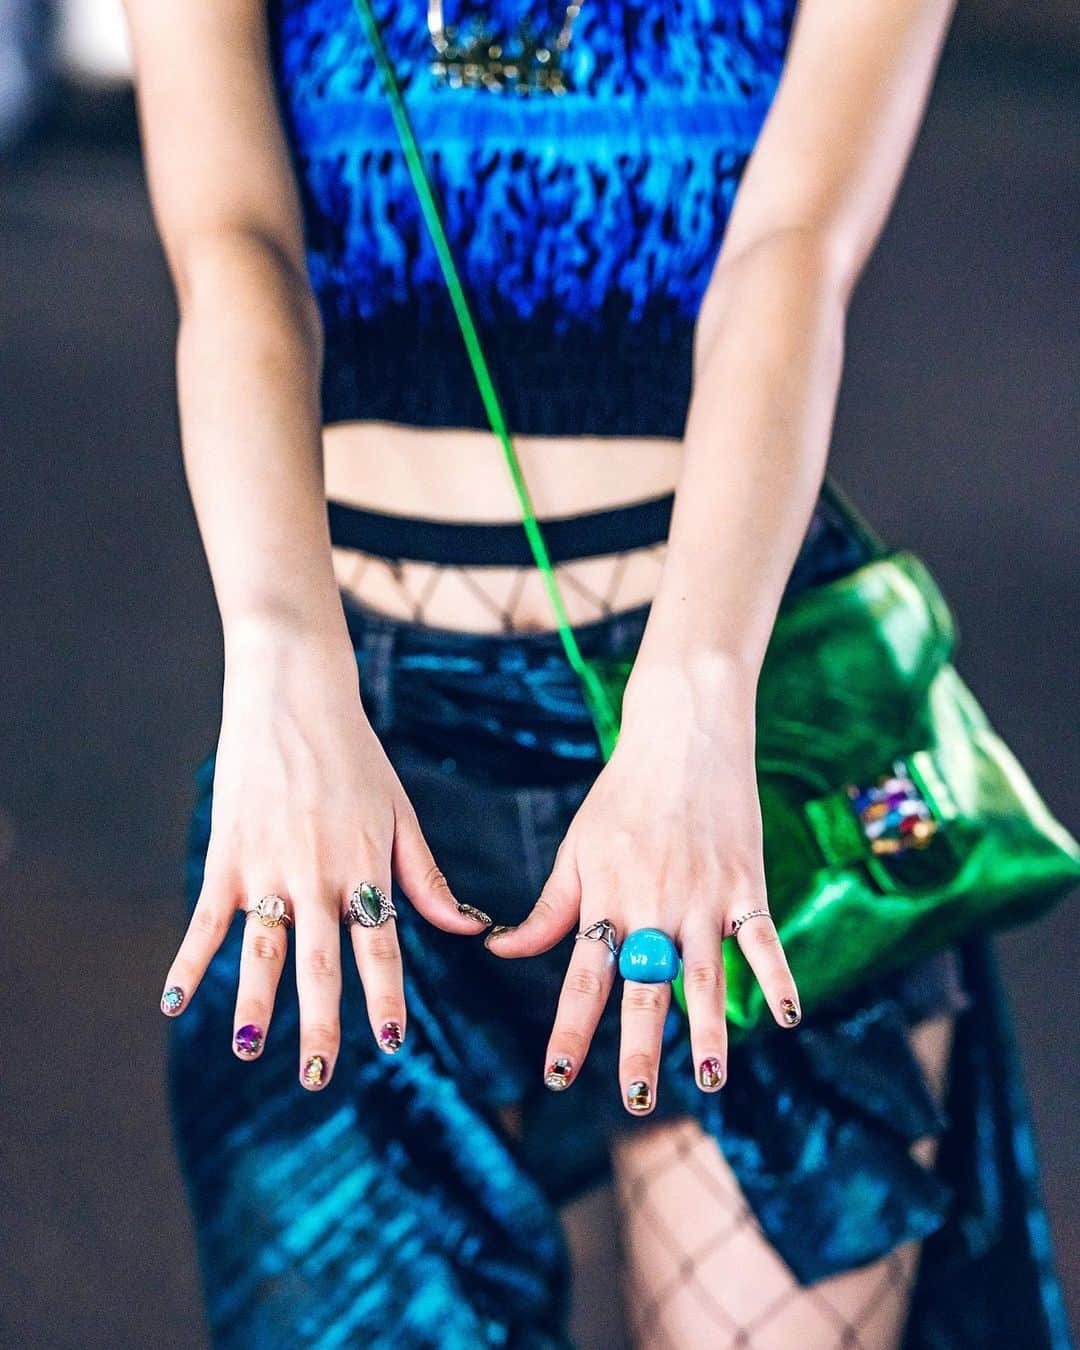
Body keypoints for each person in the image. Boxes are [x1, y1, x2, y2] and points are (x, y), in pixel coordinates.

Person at [123, 0, 1069, 1345]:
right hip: (346, 722)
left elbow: (789, 258)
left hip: (729, 709)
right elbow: (234, 250)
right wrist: (279, 665)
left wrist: (696, 702)